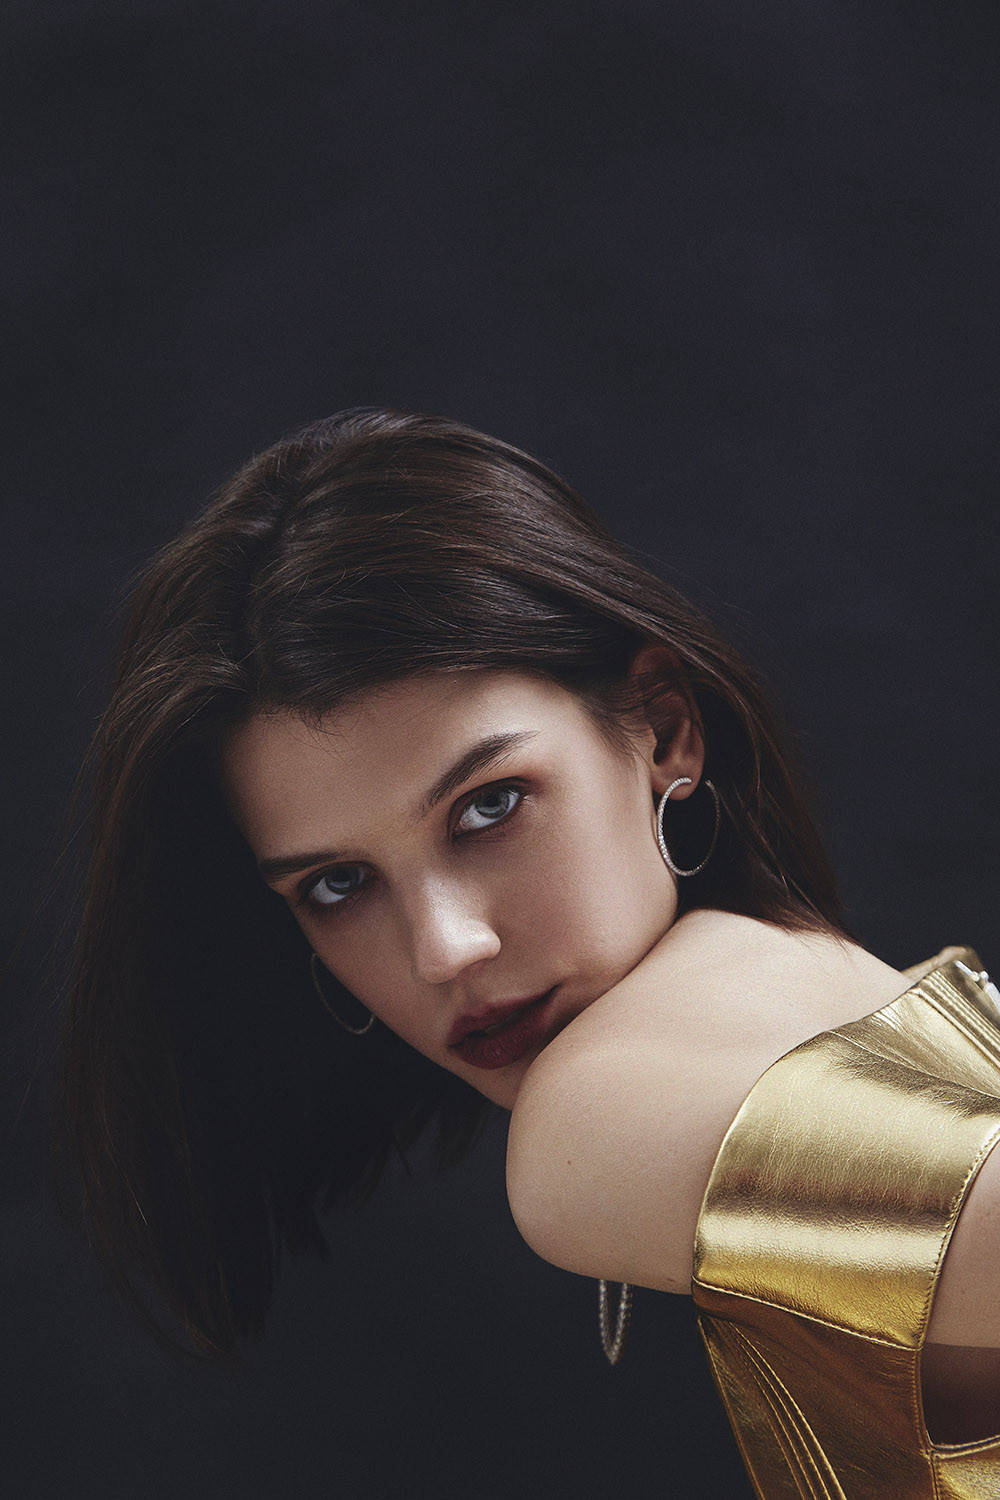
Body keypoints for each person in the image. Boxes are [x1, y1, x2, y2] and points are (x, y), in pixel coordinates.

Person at [60, 407, 1000, 1496]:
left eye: (489, 806)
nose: (445, 948)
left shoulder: (595, 1106)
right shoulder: (841, 982)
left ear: (663, 728)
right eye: (337, 885)